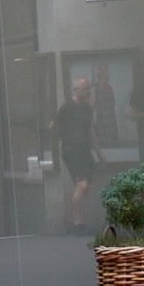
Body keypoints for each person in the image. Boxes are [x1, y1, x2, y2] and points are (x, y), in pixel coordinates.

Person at [54, 75, 100, 230]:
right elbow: (56, 127)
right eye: (84, 88)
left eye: (89, 88)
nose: (87, 91)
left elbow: (90, 131)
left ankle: (76, 218)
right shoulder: (67, 108)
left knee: (84, 188)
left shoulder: (88, 109)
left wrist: (99, 152)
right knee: (83, 185)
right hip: (71, 151)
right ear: (75, 90)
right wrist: (67, 140)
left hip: (85, 151)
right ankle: (75, 220)